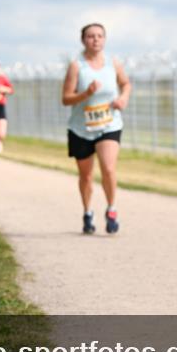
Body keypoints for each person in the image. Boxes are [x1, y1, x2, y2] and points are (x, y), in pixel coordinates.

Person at [62, 23, 131, 235]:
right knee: (86, 176)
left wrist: (123, 98)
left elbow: (126, 83)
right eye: (91, 36)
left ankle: (111, 210)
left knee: (108, 168)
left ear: (105, 39)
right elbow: (66, 99)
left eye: (100, 36)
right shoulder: (77, 66)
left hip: (109, 124)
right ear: (83, 40)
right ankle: (87, 211)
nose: (96, 40)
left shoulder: (113, 63)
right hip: (81, 128)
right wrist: (86, 94)